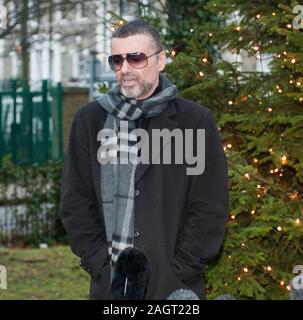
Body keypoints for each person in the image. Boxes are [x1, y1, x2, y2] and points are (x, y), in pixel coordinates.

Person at [59, 20, 229, 300]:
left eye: (135, 58)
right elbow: (75, 201)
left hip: (174, 287)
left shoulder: (195, 121)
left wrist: (184, 267)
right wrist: (100, 262)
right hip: (111, 286)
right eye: (117, 60)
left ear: (160, 60)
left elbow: (210, 204)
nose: (125, 69)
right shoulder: (90, 121)